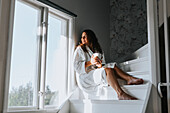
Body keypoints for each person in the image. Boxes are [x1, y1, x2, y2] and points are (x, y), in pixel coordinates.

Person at [73, 29, 144, 100]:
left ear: (90, 37)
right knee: (108, 70)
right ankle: (120, 93)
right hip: (85, 77)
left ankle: (129, 79)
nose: (82, 39)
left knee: (113, 66)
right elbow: (76, 66)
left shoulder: (98, 49)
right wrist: (90, 62)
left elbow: (103, 64)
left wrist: (99, 65)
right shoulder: (80, 49)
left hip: (95, 72)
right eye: (82, 37)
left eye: (85, 37)